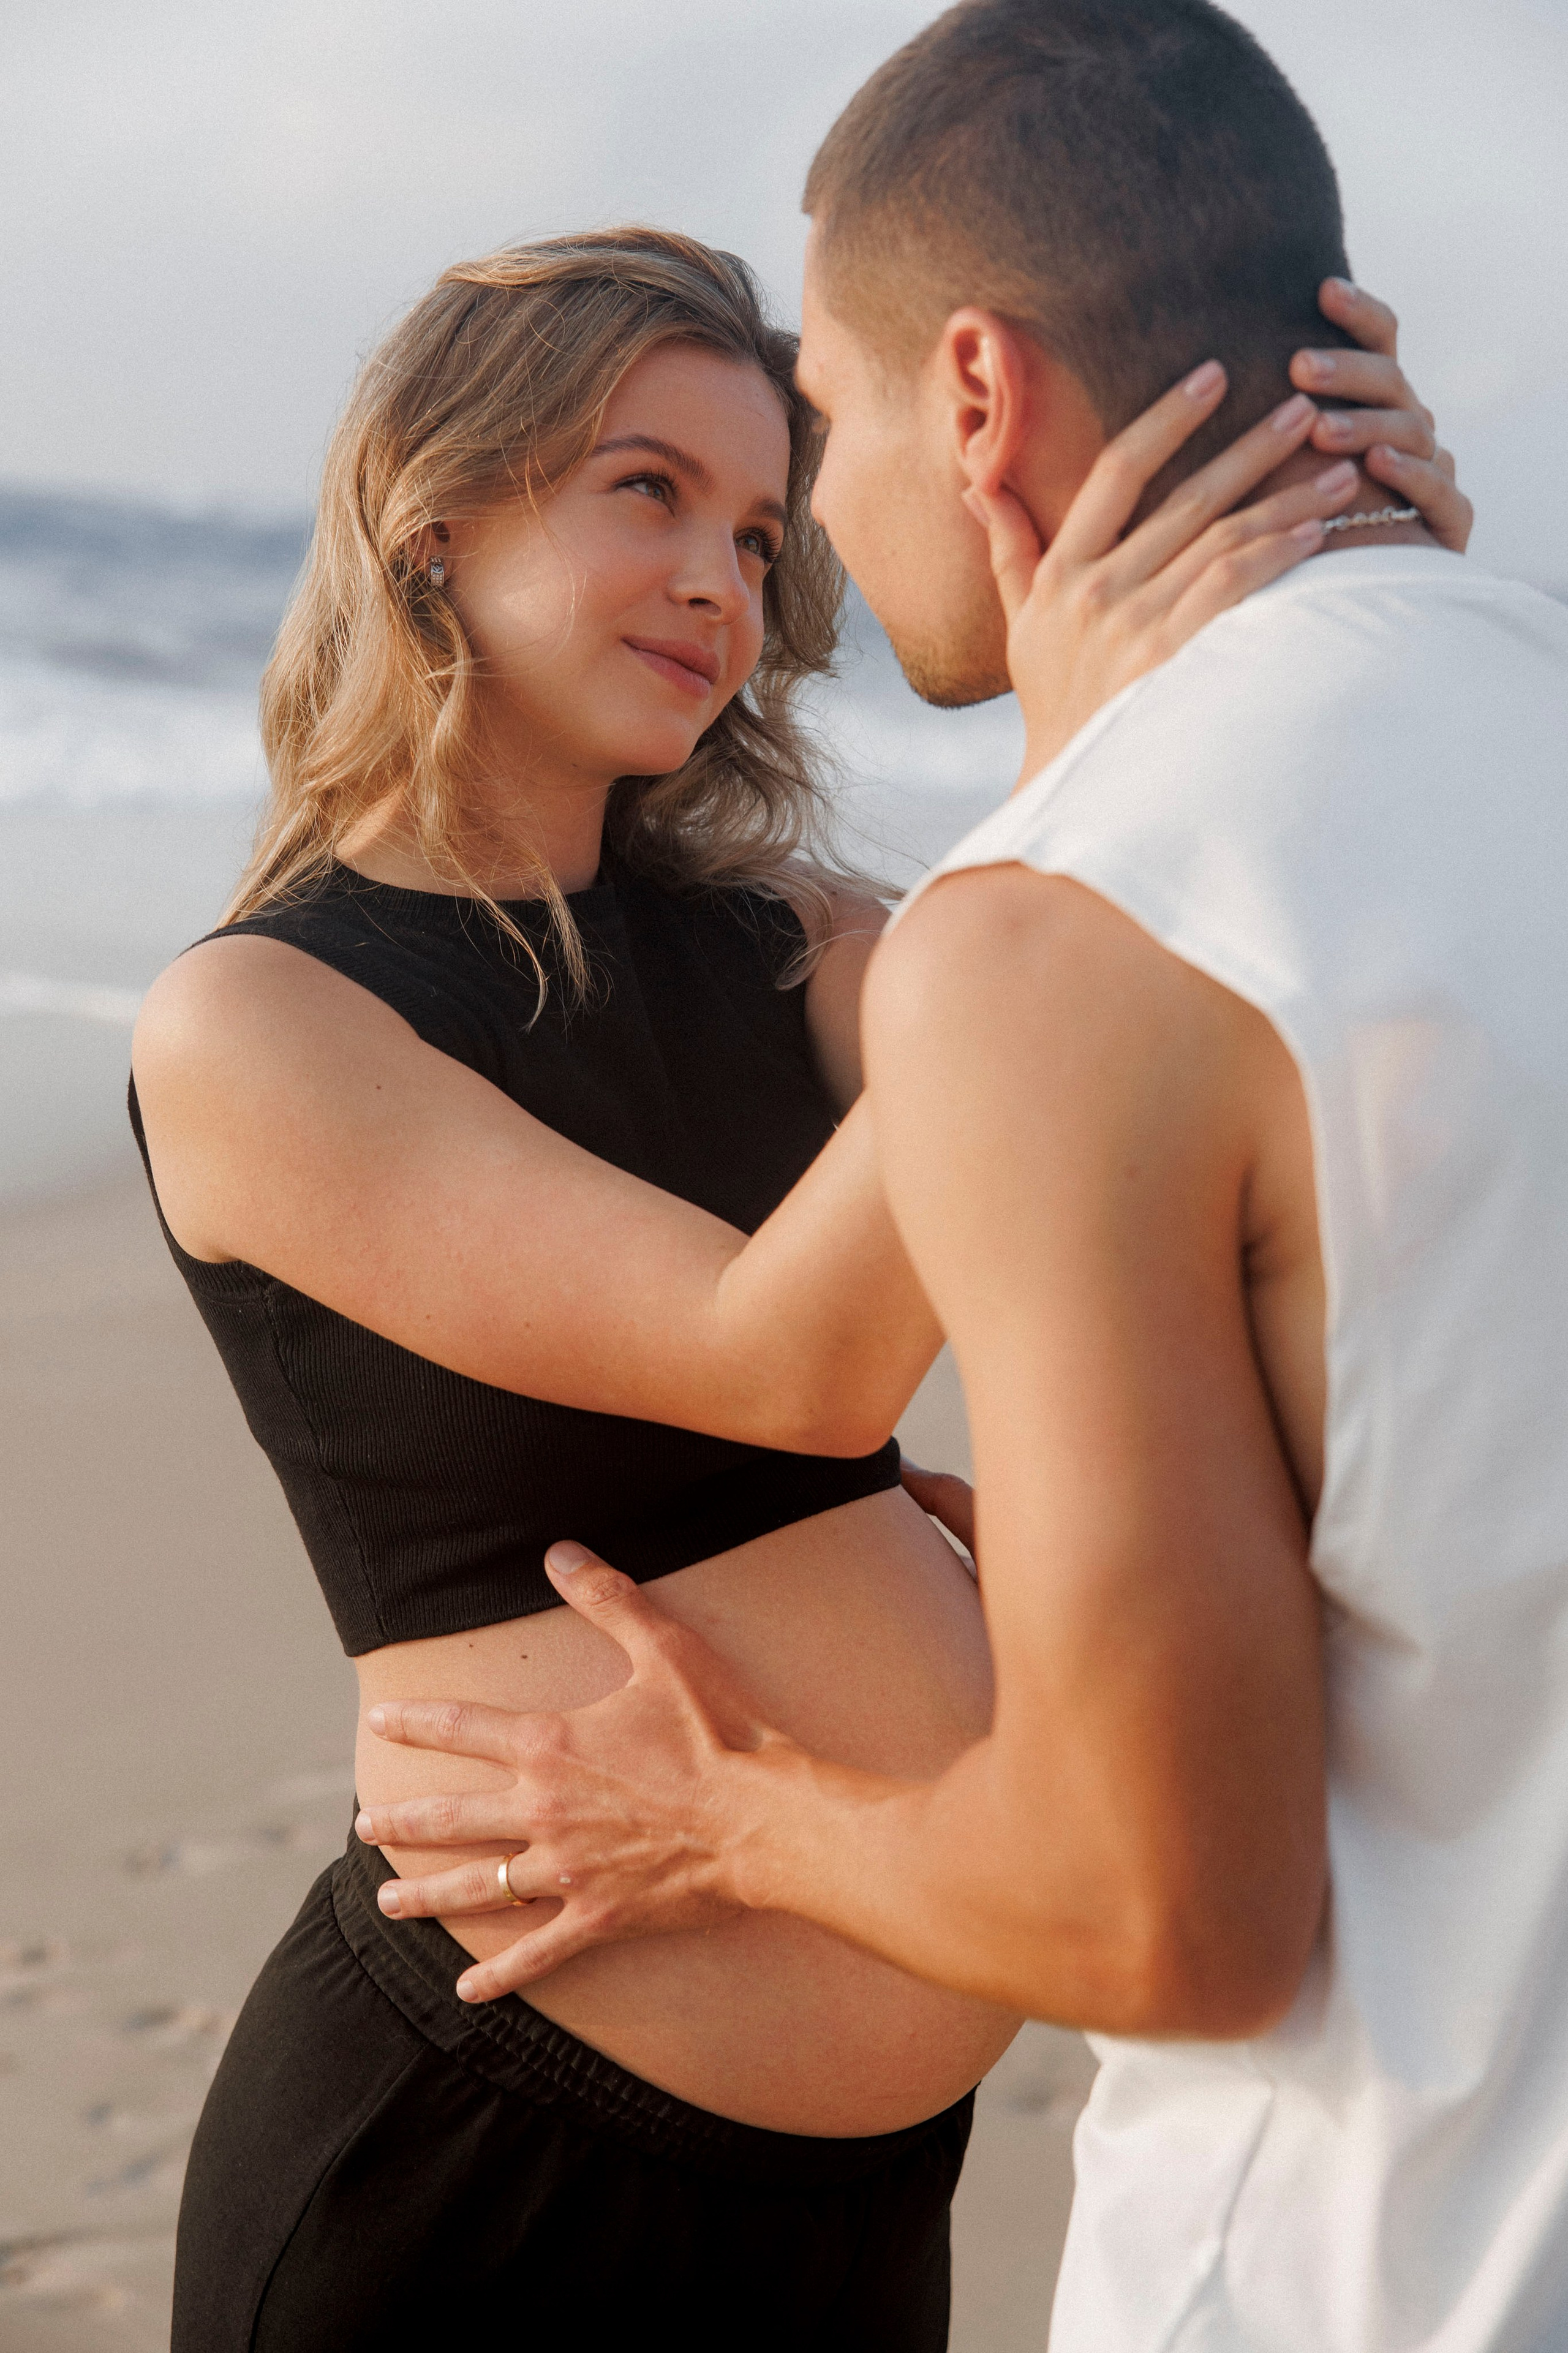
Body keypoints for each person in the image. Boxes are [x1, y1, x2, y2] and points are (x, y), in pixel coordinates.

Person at [356, 6, 1568, 2351]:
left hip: (1372, 2269)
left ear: (982, 399)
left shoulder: (1072, 932)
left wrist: (727, 1825)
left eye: (819, 415)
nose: (796, 515)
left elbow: (1165, 1917)